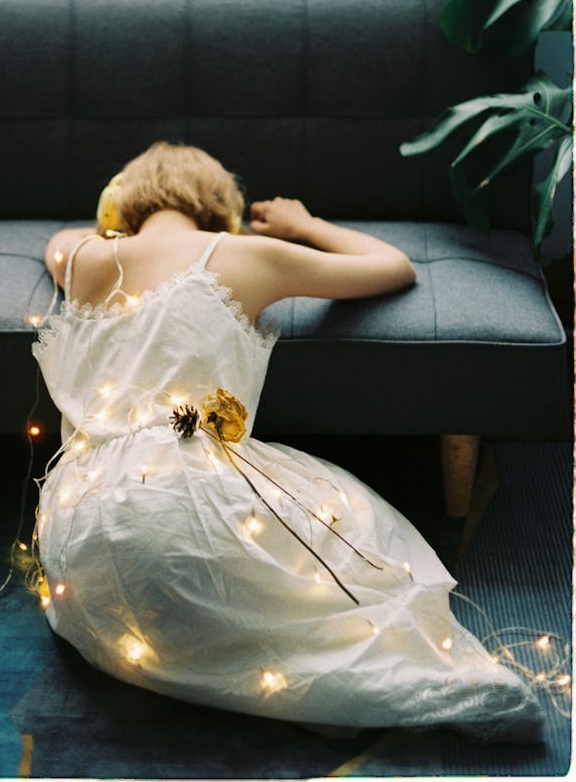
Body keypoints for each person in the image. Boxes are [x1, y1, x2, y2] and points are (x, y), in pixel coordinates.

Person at [32, 141, 543, 742]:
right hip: (187, 499)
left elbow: (63, 236)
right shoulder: (248, 254)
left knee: (170, 617)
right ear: (222, 205)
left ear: (120, 205)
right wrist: (305, 225)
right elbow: (393, 266)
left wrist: (117, 213)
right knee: (347, 556)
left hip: (78, 527)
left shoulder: (82, 255)